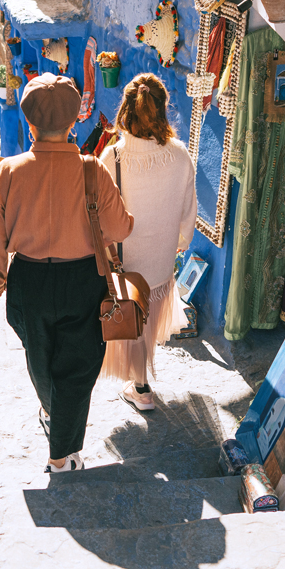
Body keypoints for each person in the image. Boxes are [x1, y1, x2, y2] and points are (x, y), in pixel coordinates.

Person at [0, 73, 133, 472]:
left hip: (27, 282)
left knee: (40, 357)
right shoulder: (92, 170)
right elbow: (119, 229)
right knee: (78, 369)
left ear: (30, 125)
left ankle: (52, 413)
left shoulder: (7, 173)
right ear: (74, 123)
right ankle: (61, 457)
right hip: (83, 280)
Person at [99, 72, 196, 412]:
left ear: (125, 109)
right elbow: (188, 211)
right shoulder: (181, 155)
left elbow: (98, 211)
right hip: (160, 260)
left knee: (132, 318)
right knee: (149, 319)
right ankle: (139, 382)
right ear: (162, 110)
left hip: (126, 261)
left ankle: (140, 388)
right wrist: (181, 240)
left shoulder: (113, 158)